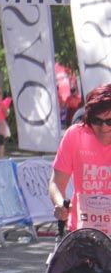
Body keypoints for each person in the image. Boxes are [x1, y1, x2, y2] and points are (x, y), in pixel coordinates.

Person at [50, 84, 111, 237]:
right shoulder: (75, 135)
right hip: (81, 233)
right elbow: (56, 183)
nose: (104, 127)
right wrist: (60, 204)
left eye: (110, 122)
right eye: (97, 121)